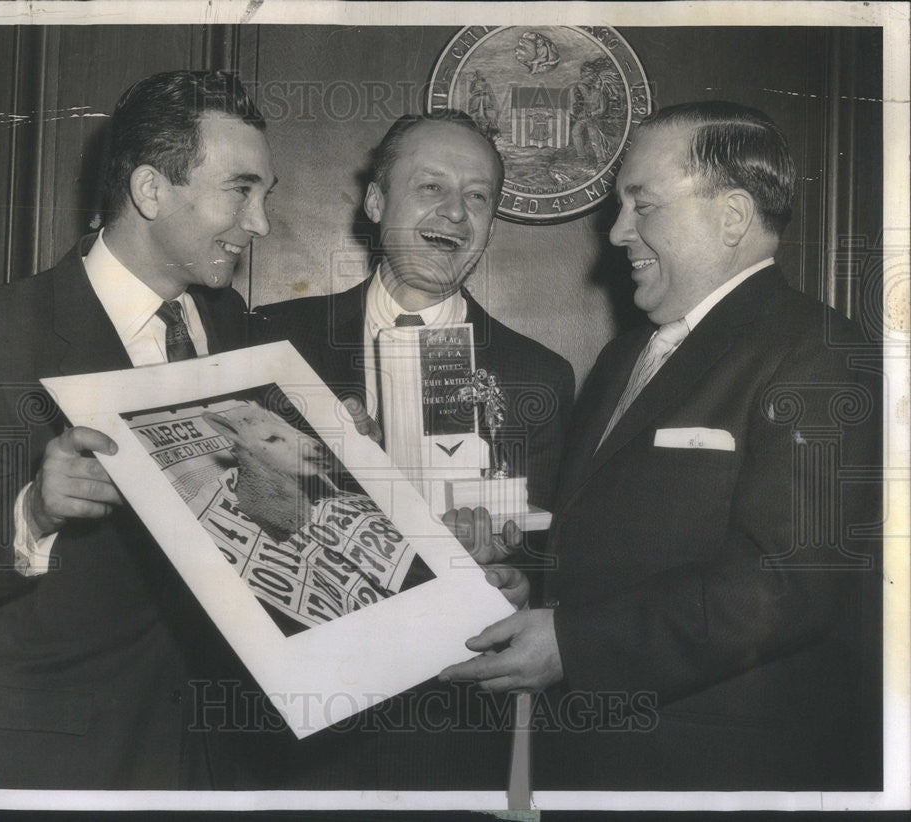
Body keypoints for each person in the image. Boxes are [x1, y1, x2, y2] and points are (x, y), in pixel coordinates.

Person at [439, 101, 882, 790]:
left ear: (732, 216)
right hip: (599, 762)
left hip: (718, 774)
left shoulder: (818, 352)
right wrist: (538, 592)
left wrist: (573, 644)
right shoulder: (625, 357)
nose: (616, 233)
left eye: (640, 205)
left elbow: (784, 587)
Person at [0, 70, 276, 788]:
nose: (261, 224)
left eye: (264, 195)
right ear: (151, 191)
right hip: (53, 762)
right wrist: (34, 508)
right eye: (241, 191)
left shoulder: (240, 330)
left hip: (216, 758)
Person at [242, 110, 575, 790]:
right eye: (431, 188)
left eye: (477, 197)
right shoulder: (273, 344)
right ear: (375, 202)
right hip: (296, 728)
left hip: (452, 723)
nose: (455, 213)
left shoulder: (539, 375)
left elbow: (550, 564)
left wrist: (514, 583)